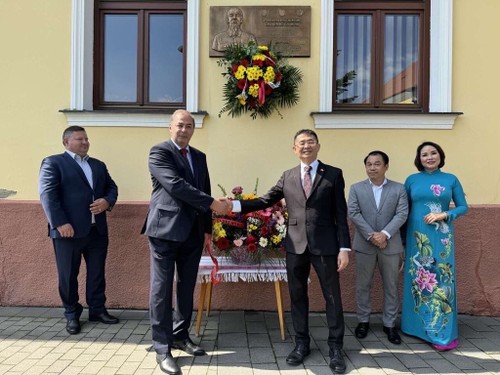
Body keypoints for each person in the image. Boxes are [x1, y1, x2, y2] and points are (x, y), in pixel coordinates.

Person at [225, 129, 350, 374]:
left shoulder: (334, 174)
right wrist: (234, 205)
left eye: (310, 142)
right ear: (294, 149)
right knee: (297, 296)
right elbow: (265, 201)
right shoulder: (288, 175)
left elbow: (340, 214)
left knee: (332, 297)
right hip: (295, 245)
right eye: (301, 143)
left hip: (325, 246)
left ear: (318, 146)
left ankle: (336, 347)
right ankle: (302, 343)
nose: (306, 146)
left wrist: (344, 247)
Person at [141, 110, 230, 375]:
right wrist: (212, 204)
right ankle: (162, 347)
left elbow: (204, 189)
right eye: (180, 125)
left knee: (187, 285)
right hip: (164, 230)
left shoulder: (199, 156)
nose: (184, 129)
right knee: (161, 289)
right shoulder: (159, 152)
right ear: (170, 127)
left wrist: (206, 229)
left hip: (192, 232)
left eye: (189, 126)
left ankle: (180, 336)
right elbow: (175, 185)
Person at [39, 126, 119, 335]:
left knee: (96, 273)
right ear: (66, 142)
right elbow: (48, 195)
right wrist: (59, 223)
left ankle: (97, 310)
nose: (85, 142)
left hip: (96, 230)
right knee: (67, 276)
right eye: (79, 139)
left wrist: (107, 201)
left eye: (86, 139)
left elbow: (112, 187)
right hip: (68, 231)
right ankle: (72, 314)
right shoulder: (53, 163)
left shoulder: (98, 165)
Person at [401, 141, 468, 351]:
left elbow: (463, 207)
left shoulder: (450, 179)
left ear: (440, 156)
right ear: (418, 159)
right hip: (416, 236)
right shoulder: (411, 180)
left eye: (433, 153)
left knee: (440, 278)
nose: (429, 157)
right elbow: (404, 210)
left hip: (441, 238)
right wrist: (402, 240)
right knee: (417, 279)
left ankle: (441, 332)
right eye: (424, 154)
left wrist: (445, 214)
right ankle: (415, 327)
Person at [348, 151, 408, 345]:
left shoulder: (399, 189)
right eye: (369, 164)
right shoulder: (356, 188)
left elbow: (401, 214)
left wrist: (385, 234)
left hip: (391, 244)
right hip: (365, 244)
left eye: (377, 164)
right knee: (363, 284)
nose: (372, 167)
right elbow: (354, 213)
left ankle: (389, 324)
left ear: (386, 167)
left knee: (391, 285)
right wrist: (372, 235)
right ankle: (363, 321)